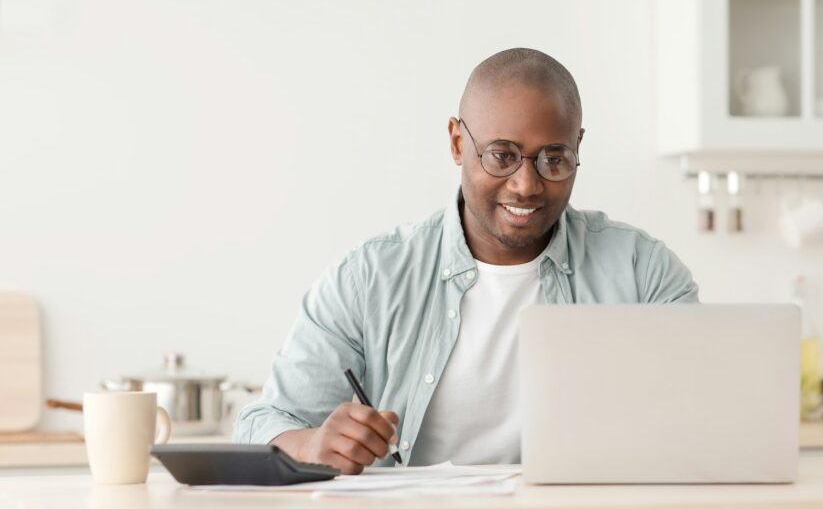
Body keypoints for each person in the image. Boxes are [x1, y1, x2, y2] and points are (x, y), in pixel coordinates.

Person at [233, 47, 699, 474]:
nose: (526, 185)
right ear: (458, 142)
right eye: (502, 155)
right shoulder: (369, 279)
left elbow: (707, 416)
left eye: (553, 159)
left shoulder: (643, 273)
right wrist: (312, 444)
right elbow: (261, 424)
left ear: (578, 146)